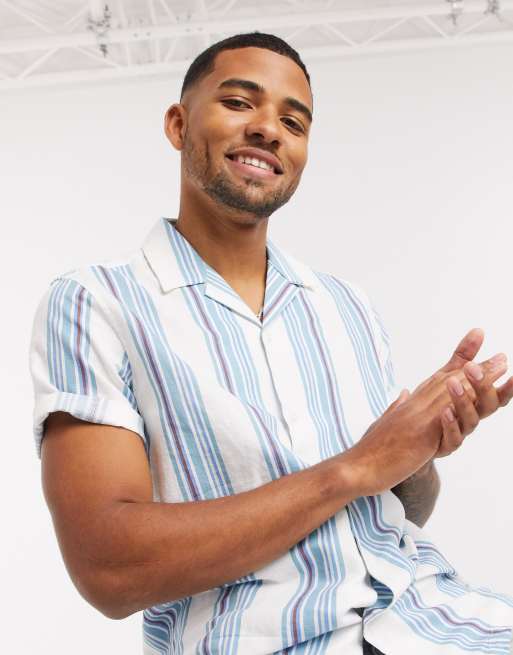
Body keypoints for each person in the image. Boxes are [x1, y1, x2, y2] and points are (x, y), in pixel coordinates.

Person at [28, 31, 513, 655]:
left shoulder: (345, 306)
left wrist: (418, 451)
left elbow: (388, 516)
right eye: (238, 103)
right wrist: (351, 468)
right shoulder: (96, 304)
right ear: (178, 124)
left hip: (436, 617)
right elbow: (109, 571)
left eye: (293, 121)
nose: (268, 130)